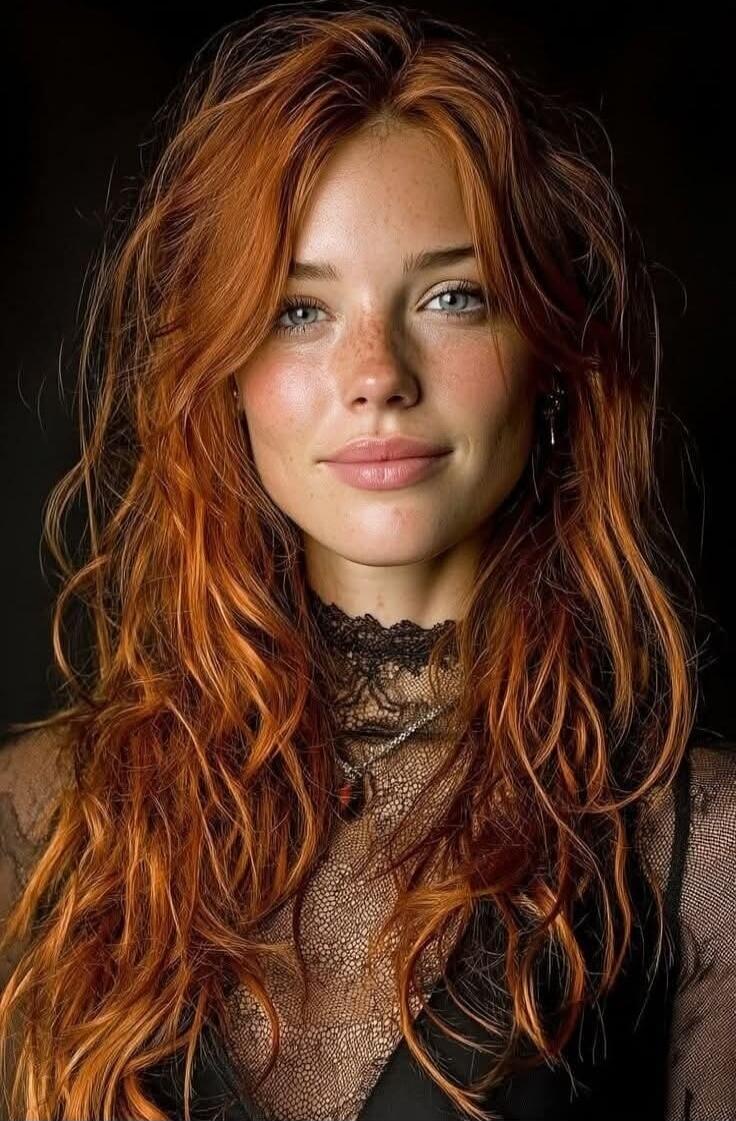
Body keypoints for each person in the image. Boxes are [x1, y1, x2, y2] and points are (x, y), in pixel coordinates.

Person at [1, 4, 734, 1119]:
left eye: (451, 295)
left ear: (548, 351)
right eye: (299, 309)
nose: (376, 372)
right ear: (222, 374)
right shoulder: (44, 819)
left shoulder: (693, 849)